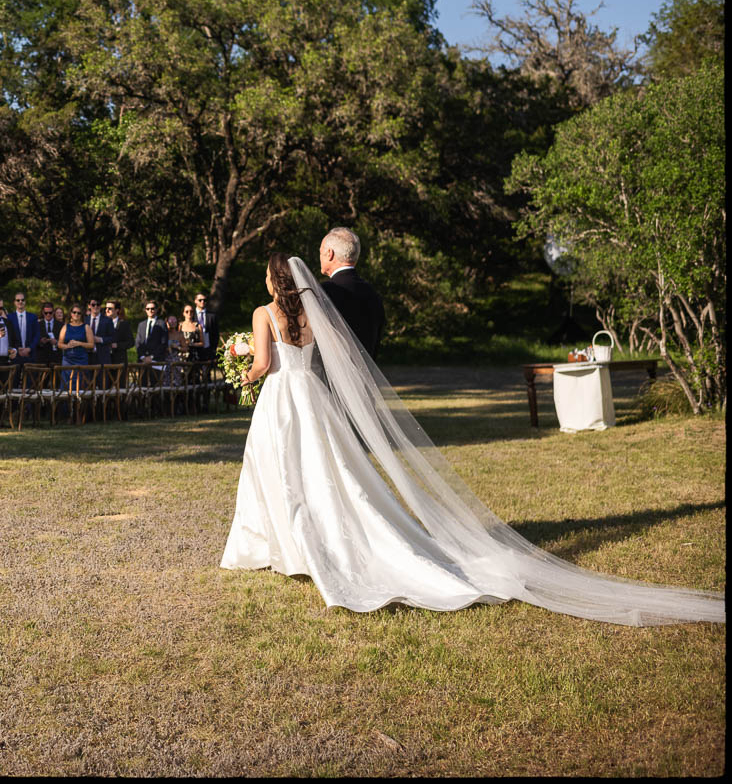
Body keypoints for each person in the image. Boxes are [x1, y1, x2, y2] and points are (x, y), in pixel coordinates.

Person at [220, 253, 724, 626]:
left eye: (266, 274)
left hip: (283, 397)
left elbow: (265, 365)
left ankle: (289, 547)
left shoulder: (264, 314)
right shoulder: (314, 313)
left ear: (272, 280)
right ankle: (312, 544)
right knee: (330, 472)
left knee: (281, 469)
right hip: (314, 397)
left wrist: (243, 371)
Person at [318, 227, 385, 359]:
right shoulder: (373, 293)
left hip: (333, 376)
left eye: (320, 252)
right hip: (367, 375)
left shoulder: (324, 291)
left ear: (329, 254)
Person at [57, 304, 95, 392]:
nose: (76, 314)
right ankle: (66, 405)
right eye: (74, 312)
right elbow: (59, 344)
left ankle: (79, 405)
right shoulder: (65, 327)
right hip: (68, 361)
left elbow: (91, 345)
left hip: (81, 360)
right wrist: (67, 346)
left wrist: (79, 343)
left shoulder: (86, 327)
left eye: (79, 313)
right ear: (71, 313)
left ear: (82, 315)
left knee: (81, 386)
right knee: (66, 386)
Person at [9, 293, 38, 368]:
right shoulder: (9, 317)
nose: (20, 302)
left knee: (30, 379)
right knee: (15, 379)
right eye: (18, 300)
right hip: (15, 355)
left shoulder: (33, 317)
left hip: (30, 355)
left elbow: (37, 335)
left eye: (22, 300)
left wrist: (29, 348)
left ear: (25, 302)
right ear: (14, 302)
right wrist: (16, 348)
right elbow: (9, 336)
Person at [191, 291, 219, 362]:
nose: (202, 302)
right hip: (194, 349)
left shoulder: (212, 316)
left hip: (208, 348)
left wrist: (213, 349)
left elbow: (216, 334)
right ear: (195, 301)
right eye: (200, 300)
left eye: (204, 300)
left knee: (207, 371)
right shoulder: (191, 315)